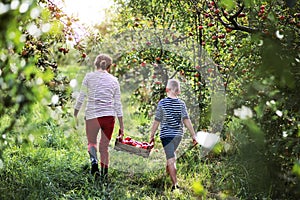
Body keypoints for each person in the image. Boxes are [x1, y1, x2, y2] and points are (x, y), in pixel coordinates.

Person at [74, 53, 124, 179]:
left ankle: (94, 163)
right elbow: (118, 104)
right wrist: (121, 125)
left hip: (92, 116)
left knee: (91, 143)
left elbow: (81, 96)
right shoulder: (114, 80)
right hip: (108, 117)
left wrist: (75, 113)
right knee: (104, 147)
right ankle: (105, 175)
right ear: (110, 67)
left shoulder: (89, 77)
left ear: (95, 64)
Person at [149, 79, 197, 191]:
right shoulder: (181, 104)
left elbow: (157, 120)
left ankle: (175, 184)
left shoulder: (162, 103)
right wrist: (193, 135)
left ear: (167, 89)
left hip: (166, 135)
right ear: (178, 91)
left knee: (171, 158)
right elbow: (186, 120)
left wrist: (151, 135)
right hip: (178, 136)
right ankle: (167, 175)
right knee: (171, 154)